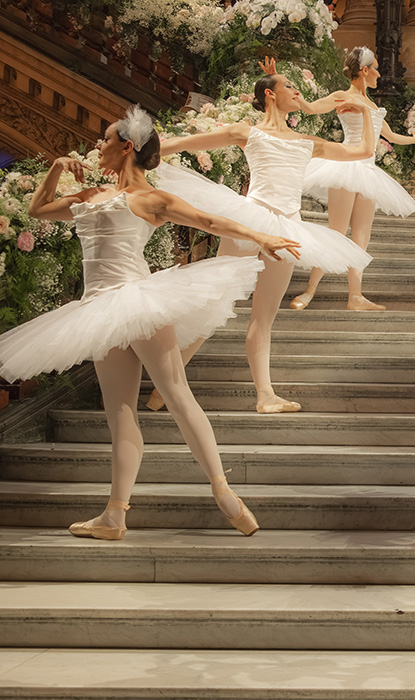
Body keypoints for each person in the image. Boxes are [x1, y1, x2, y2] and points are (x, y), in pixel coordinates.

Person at [1, 106, 301, 540]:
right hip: (99, 311)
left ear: (127, 146)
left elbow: (208, 221)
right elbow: (39, 210)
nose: (98, 146)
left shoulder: (149, 198)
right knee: (119, 413)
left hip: (139, 301)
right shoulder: (90, 195)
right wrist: (56, 168)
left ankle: (223, 491)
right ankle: (114, 515)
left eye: (105, 139)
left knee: (177, 394)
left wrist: (259, 236)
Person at [150, 72, 376, 413]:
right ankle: (164, 386)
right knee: (215, 304)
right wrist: (137, 158)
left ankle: (265, 395)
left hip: (288, 229)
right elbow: (184, 144)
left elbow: (364, 150)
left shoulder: (307, 141)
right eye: (289, 86)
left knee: (264, 317)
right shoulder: (247, 132)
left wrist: (366, 111)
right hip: (250, 220)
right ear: (269, 94)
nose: (297, 91)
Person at [288, 48, 415, 311]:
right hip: (346, 166)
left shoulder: (372, 105)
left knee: (362, 236)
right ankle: (310, 290)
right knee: (337, 232)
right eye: (376, 68)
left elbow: (389, 136)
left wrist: (414, 139)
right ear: (365, 70)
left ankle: (355, 296)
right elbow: (312, 108)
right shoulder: (343, 96)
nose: (379, 74)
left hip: (368, 172)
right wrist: (295, 94)